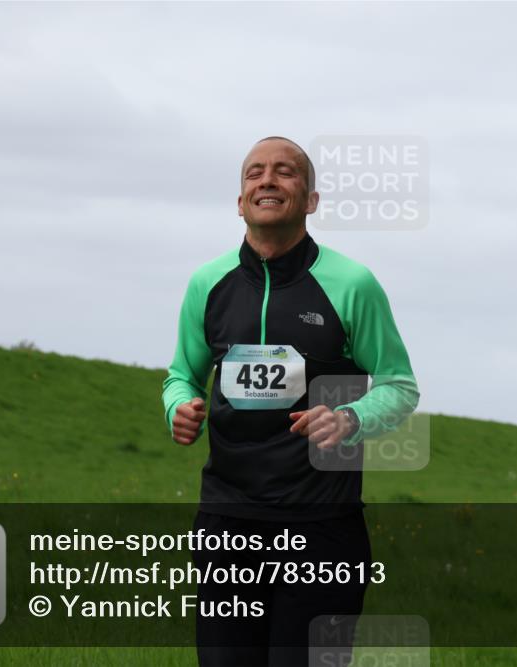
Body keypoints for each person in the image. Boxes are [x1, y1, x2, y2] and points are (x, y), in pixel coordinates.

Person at [161, 136, 420, 665]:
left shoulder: (352, 283)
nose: (268, 180)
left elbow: (399, 386)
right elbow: (180, 375)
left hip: (323, 525)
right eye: (254, 173)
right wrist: (178, 407)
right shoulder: (207, 284)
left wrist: (350, 418)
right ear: (240, 201)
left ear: (311, 200)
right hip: (228, 522)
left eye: (285, 171)